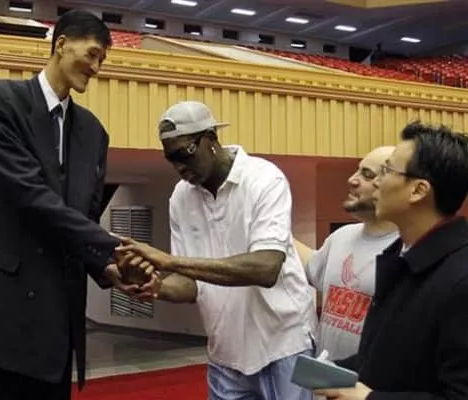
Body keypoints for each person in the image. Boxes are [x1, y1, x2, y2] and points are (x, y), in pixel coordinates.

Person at [0, 10, 152, 400]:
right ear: (61, 44)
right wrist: (116, 246)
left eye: (103, 60)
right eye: (92, 54)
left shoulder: (94, 133)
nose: (96, 68)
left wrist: (109, 268)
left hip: (55, 335)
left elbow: (83, 220)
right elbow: (30, 195)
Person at [117, 101, 318, 400]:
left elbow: (266, 268)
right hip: (225, 352)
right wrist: (155, 287)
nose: (179, 167)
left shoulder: (264, 179)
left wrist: (168, 261)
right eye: (171, 159)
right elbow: (190, 283)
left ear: (210, 139)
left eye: (185, 154)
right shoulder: (181, 198)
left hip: (283, 345)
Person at [315, 122, 468, 399]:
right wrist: (338, 371)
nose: (377, 183)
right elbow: (391, 359)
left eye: (386, 171)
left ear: (418, 190)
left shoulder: (460, 278)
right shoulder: (399, 256)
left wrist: (368, 398)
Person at [294, 146, 398, 362]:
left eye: (367, 175)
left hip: (369, 381)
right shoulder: (342, 236)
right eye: (357, 170)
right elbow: (312, 265)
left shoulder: (407, 250)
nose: (352, 179)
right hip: (326, 374)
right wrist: (272, 231)